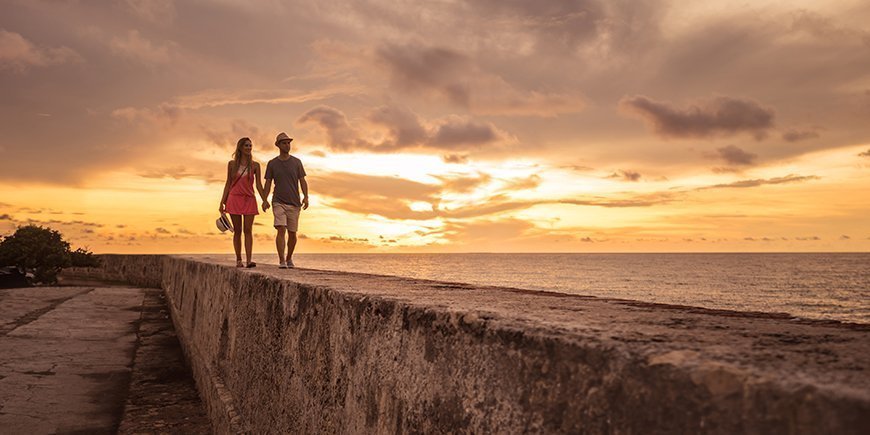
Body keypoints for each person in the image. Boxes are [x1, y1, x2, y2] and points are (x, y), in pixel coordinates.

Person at [219, 137, 268, 268]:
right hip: (234, 198)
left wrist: (264, 200)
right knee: (237, 231)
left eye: (250, 145)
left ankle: (249, 260)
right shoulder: (232, 164)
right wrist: (222, 201)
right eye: (246, 145)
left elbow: (258, 185)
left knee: (248, 230)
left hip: (249, 199)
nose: (249, 147)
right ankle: (239, 260)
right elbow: (228, 183)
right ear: (240, 147)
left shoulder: (255, 166)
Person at [263, 132, 308, 269]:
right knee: (281, 229)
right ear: (278, 145)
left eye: (288, 143)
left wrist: (306, 197)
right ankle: (282, 260)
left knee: (292, 234)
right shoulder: (272, 164)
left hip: (294, 203)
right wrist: (264, 199)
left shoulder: (297, 162)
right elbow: (268, 183)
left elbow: (302, 181)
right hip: (278, 201)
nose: (287, 145)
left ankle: (289, 258)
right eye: (284, 143)